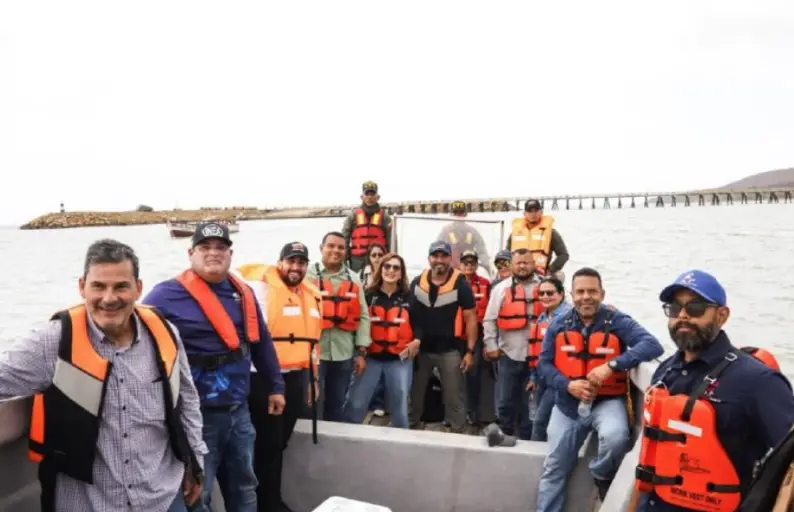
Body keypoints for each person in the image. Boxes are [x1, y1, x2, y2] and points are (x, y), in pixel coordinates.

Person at [0, 239, 206, 511]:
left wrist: (195, 462)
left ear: (138, 288)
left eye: (121, 286)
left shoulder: (165, 333)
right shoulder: (53, 340)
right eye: (98, 286)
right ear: (82, 287)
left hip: (163, 497)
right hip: (90, 503)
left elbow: (188, 401)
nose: (109, 298)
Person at [143, 222, 285, 512]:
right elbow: (131, 334)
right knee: (198, 494)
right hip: (197, 420)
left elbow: (261, 342)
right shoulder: (165, 295)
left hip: (239, 412)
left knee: (245, 487)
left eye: (220, 248)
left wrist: (275, 386)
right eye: (205, 247)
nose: (213, 253)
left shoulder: (243, 294)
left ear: (230, 254)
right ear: (190, 252)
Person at [632, 270, 794, 511]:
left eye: (695, 308)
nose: (683, 316)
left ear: (722, 315)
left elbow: (788, 464)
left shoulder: (758, 381)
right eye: (675, 309)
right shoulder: (665, 372)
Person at [535, 267, 663, 512]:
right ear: (571, 295)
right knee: (554, 467)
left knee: (617, 438)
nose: (586, 297)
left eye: (592, 291)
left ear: (602, 294)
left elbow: (652, 345)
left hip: (607, 401)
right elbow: (544, 364)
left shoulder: (617, 321)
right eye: (580, 291)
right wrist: (568, 385)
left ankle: (601, 474)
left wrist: (613, 365)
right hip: (567, 404)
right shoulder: (558, 324)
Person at [235, 242, 323, 512]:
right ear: (280, 262)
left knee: (280, 442)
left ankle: (270, 499)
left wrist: (314, 379)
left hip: (297, 377)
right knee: (267, 445)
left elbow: (313, 343)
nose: (295, 268)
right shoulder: (260, 288)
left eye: (301, 262)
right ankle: (266, 504)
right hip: (265, 380)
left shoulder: (311, 293)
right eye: (291, 261)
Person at [407, 240, 477, 433]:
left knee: (455, 397)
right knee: (414, 395)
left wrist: (470, 351)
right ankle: (410, 430)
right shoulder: (417, 282)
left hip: (450, 351)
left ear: (450, 259)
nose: (440, 260)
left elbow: (471, 318)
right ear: (429, 259)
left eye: (444, 256)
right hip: (421, 351)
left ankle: (458, 432)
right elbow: (410, 317)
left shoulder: (460, 284)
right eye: (435, 256)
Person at [344, 252, 420, 428]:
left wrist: (417, 341)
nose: (391, 270)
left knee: (400, 404)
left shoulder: (410, 297)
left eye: (396, 268)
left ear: (401, 273)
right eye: (387, 266)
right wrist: (359, 353)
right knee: (356, 401)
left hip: (399, 360)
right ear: (380, 269)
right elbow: (357, 323)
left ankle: (400, 440)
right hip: (371, 359)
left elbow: (420, 326)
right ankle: (348, 437)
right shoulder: (368, 295)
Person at [306, 231, 371, 422]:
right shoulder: (306, 276)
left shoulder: (353, 279)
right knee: (311, 402)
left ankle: (330, 445)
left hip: (343, 353)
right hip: (314, 354)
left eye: (341, 247)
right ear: (321, 248)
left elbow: (363, 315)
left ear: (346, 251)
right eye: (331, 246)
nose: (336, 250)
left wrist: (361, 351)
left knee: (337, 402)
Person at [483, 248, 542, 440]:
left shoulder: (545, 287)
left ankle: (528, 440)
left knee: (530, 406)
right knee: (505, 402)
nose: (523, 266)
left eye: (526, 262)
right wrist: (491, 346)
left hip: (537, 358)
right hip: (508, 354)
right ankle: (504, 435)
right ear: (512, 265)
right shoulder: (500, 289)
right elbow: (489, 320)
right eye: (519, 263)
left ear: (533, 264)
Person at [529, 276, 572, 441]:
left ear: (561, 294)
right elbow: (537, 351)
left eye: (550, 293)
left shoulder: (569, 318)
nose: (545, 297)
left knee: (540, 421)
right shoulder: (542, 318)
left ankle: (534, 456)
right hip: (542, 378)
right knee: (540, 419)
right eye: (542, 293)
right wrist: (533, 376)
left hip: (559, 379)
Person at [459, 249, 491, 426]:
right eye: (465, 262)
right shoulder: (454, 282)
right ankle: (456, 411)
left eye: (472, 263)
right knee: (455, 374)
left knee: (474, 373)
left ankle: (473, 411)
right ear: (460, 264)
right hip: (456, 334)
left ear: (477, 265)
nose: (469, 266)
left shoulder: (486, 284)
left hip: (478, 334)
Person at [506, 199, 569, 278]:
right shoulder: (514, 234)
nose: (533, 214)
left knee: (560, 275)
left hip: (541, 273)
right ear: (524, 213)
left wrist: (550, 270)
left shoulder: (551, 233)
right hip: (518, 272)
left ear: (541, 212)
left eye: (536, 210)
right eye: (530, 211)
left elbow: (563, 255)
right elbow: (506, 255)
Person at [342, 180, 393, 272]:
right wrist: (344, 260)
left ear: (378, 197)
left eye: (372, 194)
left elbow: (391, 240)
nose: (370, 197)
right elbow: (344, 239)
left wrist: (391, 259)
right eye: (367, 193)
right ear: (362, 197)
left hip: (379, 259)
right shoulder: (352, 216)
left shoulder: (385, 218)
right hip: (357, 260)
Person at [435, 200, 494, 275]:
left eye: (461, 212)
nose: (458, 215)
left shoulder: (472, 232)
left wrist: (487, 267)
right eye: (455, 212)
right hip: (450, 272)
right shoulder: (445, 231)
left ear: (465, 214)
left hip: (468, 271)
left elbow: (482, 252)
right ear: (451, 214)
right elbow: (436, 251)